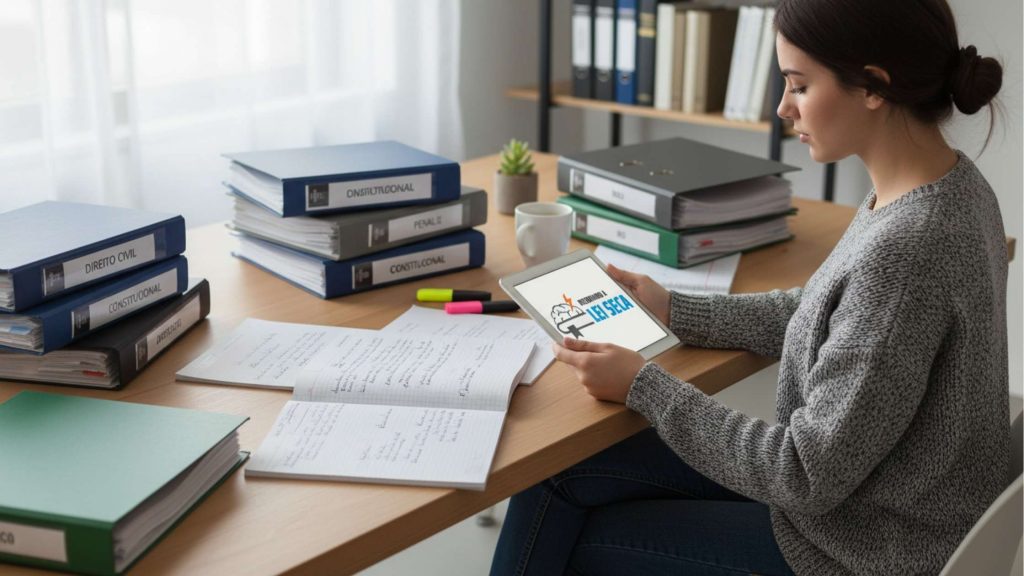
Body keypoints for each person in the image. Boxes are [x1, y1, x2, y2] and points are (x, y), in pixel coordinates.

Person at [489, 0, 1009, 574]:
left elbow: (802, 473)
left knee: (575, 537)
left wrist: (646, 386)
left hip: (860, 548)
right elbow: (824, 311)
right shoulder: (945, 183)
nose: (784, 107)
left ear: (873, 87)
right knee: (558, 475)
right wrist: (672, 308)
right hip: (870, 510)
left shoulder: (908, 248)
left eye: (799, 85)